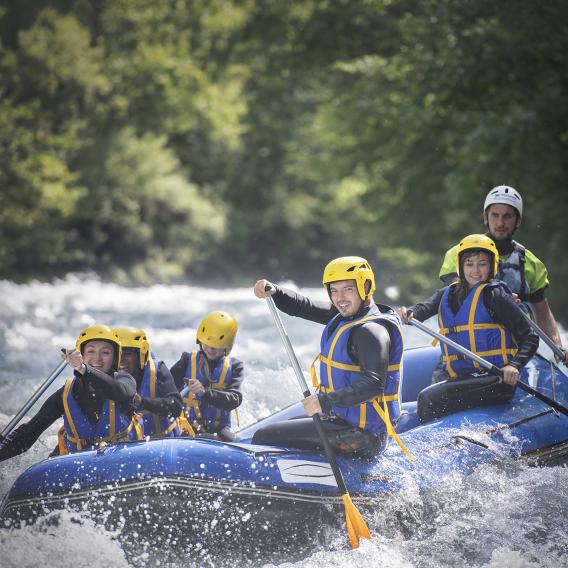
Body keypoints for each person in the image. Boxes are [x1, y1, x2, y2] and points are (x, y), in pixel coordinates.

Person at [252, 256, 412, 461]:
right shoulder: (346, 315)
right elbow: (304, 306)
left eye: (348, 289)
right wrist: (275, 291)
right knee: (278, 427)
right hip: (343, 420)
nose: (340, 298)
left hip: (364, 436)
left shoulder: (371, 331)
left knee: (265, 436)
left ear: (366, 286)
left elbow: (374, 384)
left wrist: (325, 401)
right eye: (334, 290)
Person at [399, 234, 539, 422]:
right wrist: (408, 313)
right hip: (462, 377)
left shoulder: (495, 295)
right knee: (428, 394)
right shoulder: (447, 293)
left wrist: (514, 366)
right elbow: (422, 309)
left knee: (428, 398)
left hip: (496, 379)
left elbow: (530, 338)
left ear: (492, 266)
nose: (475, 270)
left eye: (482, 264)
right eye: (469, 263)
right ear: (460, 266)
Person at [439, 185, 566, 364]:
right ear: (486, 217)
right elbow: (454, 296)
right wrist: (500, 299)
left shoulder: (530, 263)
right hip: (467, 350)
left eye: (507, 216)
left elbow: (543, 315)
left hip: (513, 355)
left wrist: (558, 348)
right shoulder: (459, 254)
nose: (500, 223)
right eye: (495, 215)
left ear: (518, 220)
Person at [0, 325, 142, 461]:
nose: (97, 359)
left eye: (105, 352)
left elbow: (120, 392)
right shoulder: (67, 393)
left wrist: (84, 369)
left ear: (115, 358)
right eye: (91, 351)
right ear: (81, 355)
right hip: (76, 464)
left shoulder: (125, 381)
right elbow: (28, 434)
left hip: (122, 459)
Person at [170, 311, 244, 442]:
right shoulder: (187, 360)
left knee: (236, 442)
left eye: (216, 347)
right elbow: (166, 389)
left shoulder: (235, 367)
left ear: (227, 346)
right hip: (186, 428)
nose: (210, 349)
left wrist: (204, 392)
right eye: (207, 344)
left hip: (219, 430)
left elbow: (234, 399)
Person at [114, 327, 185, 438]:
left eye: (127, 354)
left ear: (140, 355)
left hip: (162, 443)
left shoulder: (158, 370)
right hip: (129, 447)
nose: (121, 360)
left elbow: (176, 406)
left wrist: (142, 401)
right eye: (118, 354)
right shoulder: (107, 377)